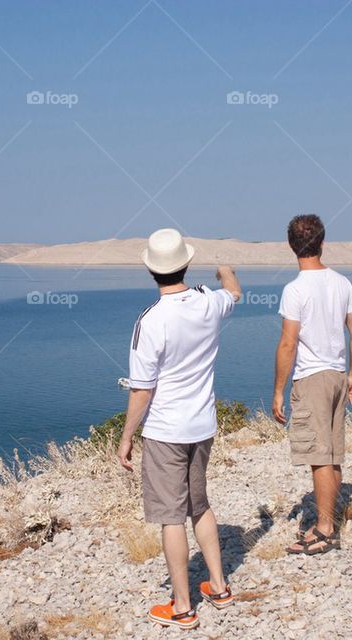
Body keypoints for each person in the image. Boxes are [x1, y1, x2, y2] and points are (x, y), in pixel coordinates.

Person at [117, 228, 242, 630]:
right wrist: (225, 269)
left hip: (167, 431)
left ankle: (183, 607)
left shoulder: (150, 321)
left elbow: (142, 391)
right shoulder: (210, 302)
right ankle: (219, 587)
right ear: (186, 264)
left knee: (172, 517)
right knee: (199, 505)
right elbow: (235, 293)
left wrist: (125, 438)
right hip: (202, 425)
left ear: (151, 271)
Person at [273, 214, 352, 554]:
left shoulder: (295, 290)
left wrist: (278, 390)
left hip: (312, 378)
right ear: (322, 243)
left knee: (319, 456)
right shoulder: (342, 283)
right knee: (333, 453)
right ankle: (330, 521)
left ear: (291, 246)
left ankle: (325, 528)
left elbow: (288, 343)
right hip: (339, 376)